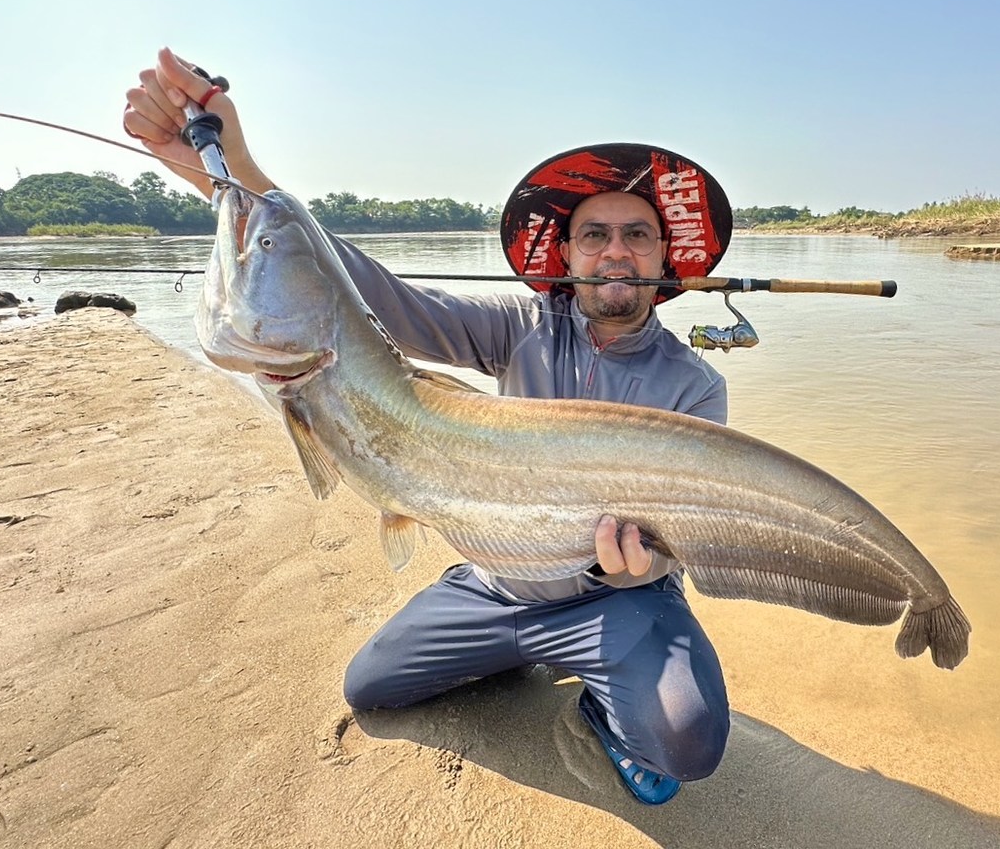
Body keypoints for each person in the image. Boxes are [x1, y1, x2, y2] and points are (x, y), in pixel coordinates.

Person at [124, 49, 736, 805]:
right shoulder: (520, 325)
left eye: (637, 236)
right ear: (567, 255)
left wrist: (637, 570)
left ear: (665, 256)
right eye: (594, 235)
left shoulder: (696, 387)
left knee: (687, 740)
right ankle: (504, 640)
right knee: (371, 687)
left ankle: (602, 703)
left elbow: (671, 546)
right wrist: (228, 165)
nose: (616, 250)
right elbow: (371, 298)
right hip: (499, 583)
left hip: (615, 598)